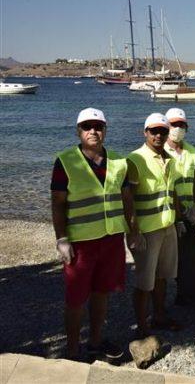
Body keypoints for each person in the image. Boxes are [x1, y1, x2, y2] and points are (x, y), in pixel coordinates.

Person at [50, 107, 136, 360]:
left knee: (102, 292)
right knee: (76, 298)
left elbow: (127, 199)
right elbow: (57, 203)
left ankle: (96, 341)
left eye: (98, 127)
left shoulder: (120, 161)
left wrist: (132, 231)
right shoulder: (65, 160)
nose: (93, 131)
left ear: (105, 130)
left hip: (111, 240)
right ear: (78, 131)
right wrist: (61, 239)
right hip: (81, 243)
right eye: (87, 127)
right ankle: (73, 350)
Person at [127, 113, 183, 337]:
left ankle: (159, 316)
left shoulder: (169, 158)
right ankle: (142, 327)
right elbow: (127, 198)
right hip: (146, 231)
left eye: (163, 131)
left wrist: (178, 220)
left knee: (162, 276)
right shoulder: (135, 159)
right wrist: (133, 231)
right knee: (144, 282)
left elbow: (172, 192)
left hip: (167, 227)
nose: (159, 135)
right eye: (154, 131)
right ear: (145, 133)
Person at [164, 108, 195, 304]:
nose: (177, 128)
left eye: (181, 125)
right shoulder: (160, 151)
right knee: (169, 258)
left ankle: (183, 292)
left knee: (187, 254)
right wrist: (178, 217)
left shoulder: (191, 151)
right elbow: (167, 188)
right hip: (169, 214)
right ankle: (170, 297)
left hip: (187, 212)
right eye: (173, 124)